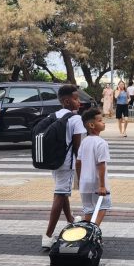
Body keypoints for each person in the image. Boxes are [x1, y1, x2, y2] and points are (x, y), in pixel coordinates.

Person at [41, 84, 86, 249]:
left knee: (62, 191)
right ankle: (47, 235)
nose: (79, 101)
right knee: (60, 194)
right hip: (67, 164)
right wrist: (81, 170)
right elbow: (77, 148)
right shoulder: (76, 119)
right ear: (67, 101)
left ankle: (70, 220)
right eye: (76, 98)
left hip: (54, 162)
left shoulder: (54, 115)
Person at [75, 108, 111, 225]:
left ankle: (85, 235)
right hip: (96, 182)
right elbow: (101, 165)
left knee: (88, 209)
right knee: (103, 205)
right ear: (91, 125)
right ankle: (94, 231)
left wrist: (80, 179)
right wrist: (102, 186)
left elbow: (78, 162)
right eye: (100, 120)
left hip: (85, 182)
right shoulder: (101, 143)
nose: (103, 122)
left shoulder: (84, 142)